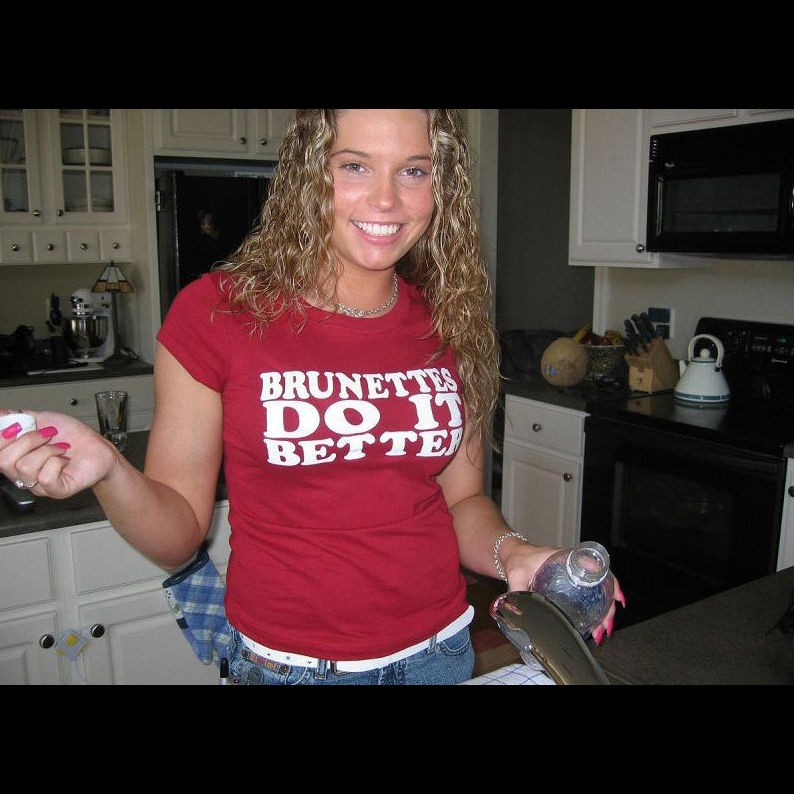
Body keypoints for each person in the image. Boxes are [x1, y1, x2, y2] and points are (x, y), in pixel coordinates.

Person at [0, 109, 624, 686]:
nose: (386, 199)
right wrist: (111, 470)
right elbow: (178, 535)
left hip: (440, 652)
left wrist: (517, 553)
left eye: (414, 171)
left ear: (442, 188)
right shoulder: (218, 312)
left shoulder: (451, 321)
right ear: (310, 174)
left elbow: (460, 500)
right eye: (354, 166)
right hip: (289, 668)